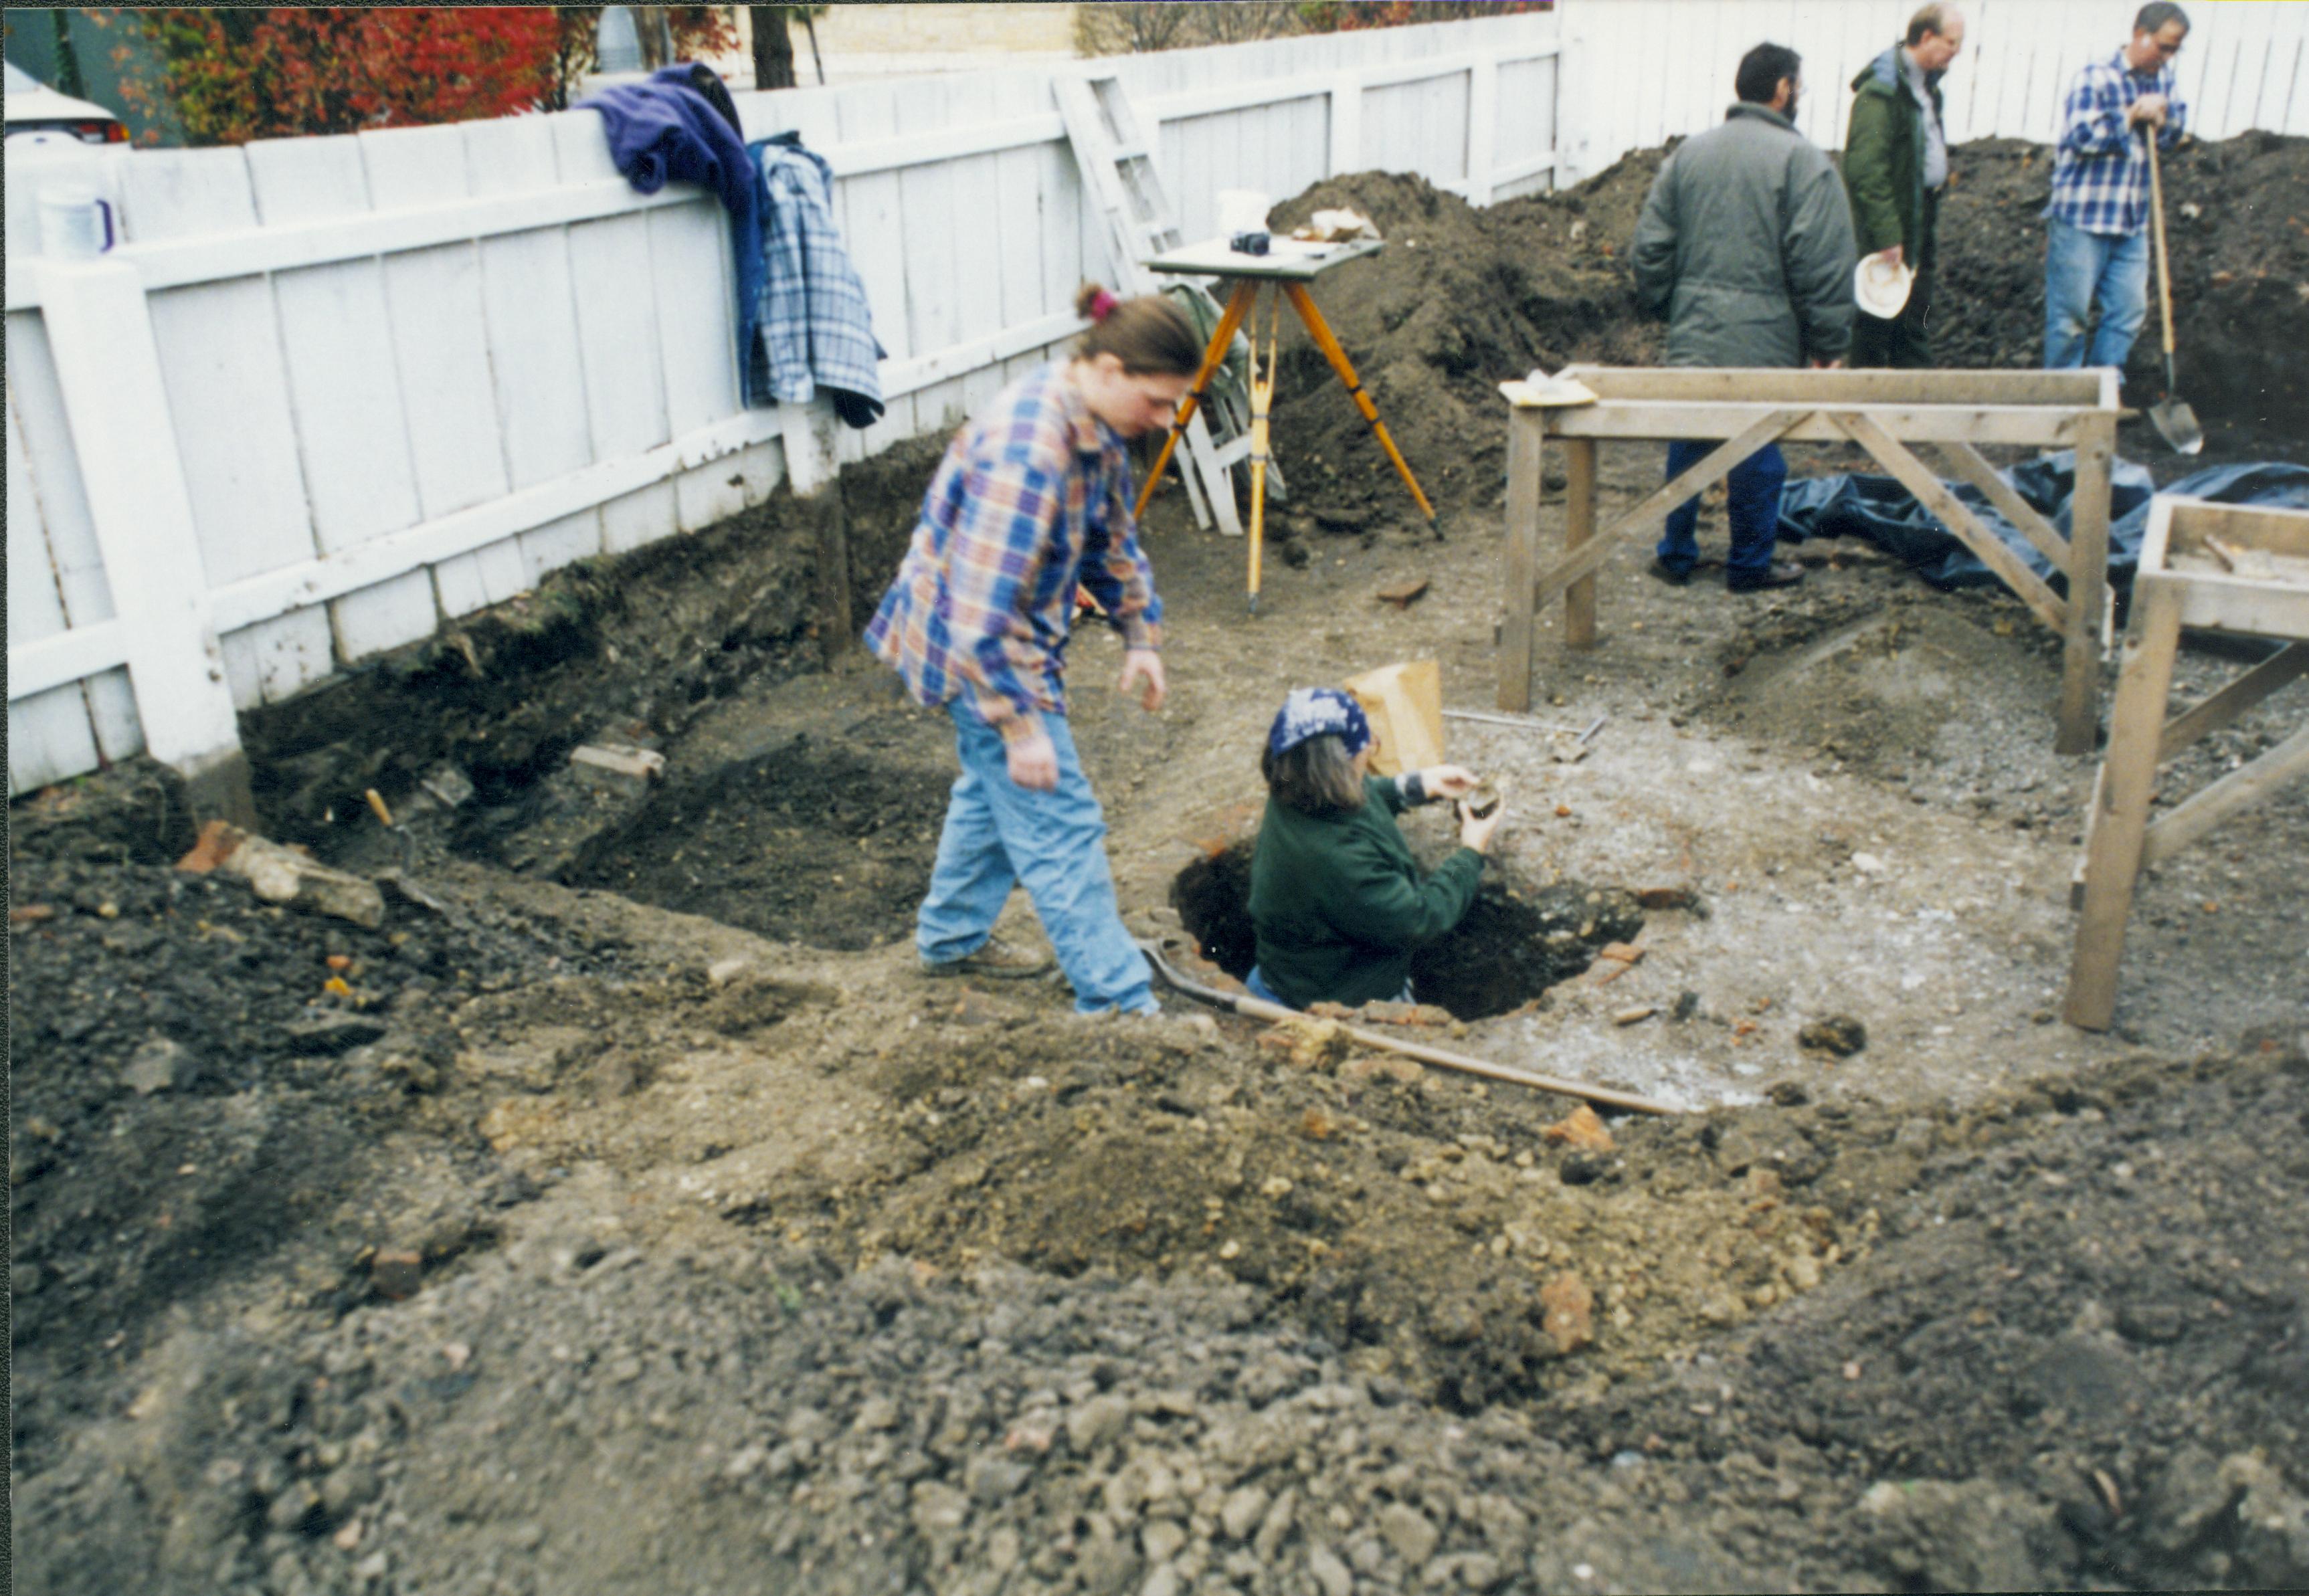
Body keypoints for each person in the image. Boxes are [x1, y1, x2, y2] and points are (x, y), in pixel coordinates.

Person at [863, 284, 1200, 1016]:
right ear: (1108, 369)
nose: (1164, 419)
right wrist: (1018, 725)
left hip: (1012, 632)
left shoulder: (1098, 428)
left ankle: (951, 941)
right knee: (1058, 819)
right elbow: (979, 616)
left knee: (993, 794)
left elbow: (1111, 540)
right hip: (975, 648)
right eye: (1157, 400)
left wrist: (1139, 634)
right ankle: (1116, 1004)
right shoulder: (1029, 452)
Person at [1633, 41, 1857, 594]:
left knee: (1690, 439)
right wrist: (1828, 342)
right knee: (1757, 447)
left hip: (1694, 329)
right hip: (1765, 336)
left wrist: (1671, 305)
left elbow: (1650, 249)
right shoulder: (1804, 163)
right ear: (1782, 89)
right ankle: (1750, 565)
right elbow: (1821, 262)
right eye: (1798, 87)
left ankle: (1676, 555)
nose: (1798, 96)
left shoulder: (1689, 155)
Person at [1244, 688, 1502, 1011]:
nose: (1370, 752)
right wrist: (1470, 851)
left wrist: (1418, 785)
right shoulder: (1339, 859)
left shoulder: (1296, 782)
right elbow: (1420, 917)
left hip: (1290, 972)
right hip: (1337, 1000)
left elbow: (1358, 794)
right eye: (1369, 745)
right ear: (1341, 765)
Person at [2043, 2, 2190, 373]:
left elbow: (2173, 135)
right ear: (2140, 34)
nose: (2168, 57)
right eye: (2164, 47)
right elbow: (2081, 137)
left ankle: (2105, 388)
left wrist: (2165, 116)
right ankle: (2063, 399)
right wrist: (2129, 116)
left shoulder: (2163, 80)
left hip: (2131, 219)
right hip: (2083, 218)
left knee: (2128, 310)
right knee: (2070, 317)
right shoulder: (2094, 77)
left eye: (2175, 50)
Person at [1843, 4, 1966, 369]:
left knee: (1916, 314)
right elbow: (1866, 168)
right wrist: (1886, 233)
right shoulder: (1883, 91)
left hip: (1921, 215)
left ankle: (1912, 404)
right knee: (1876, 318)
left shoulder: (1927, 91)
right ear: (1926, 37)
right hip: (1891, 228)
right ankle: (1862, 405)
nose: (1955, 53)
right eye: (1951, 43)